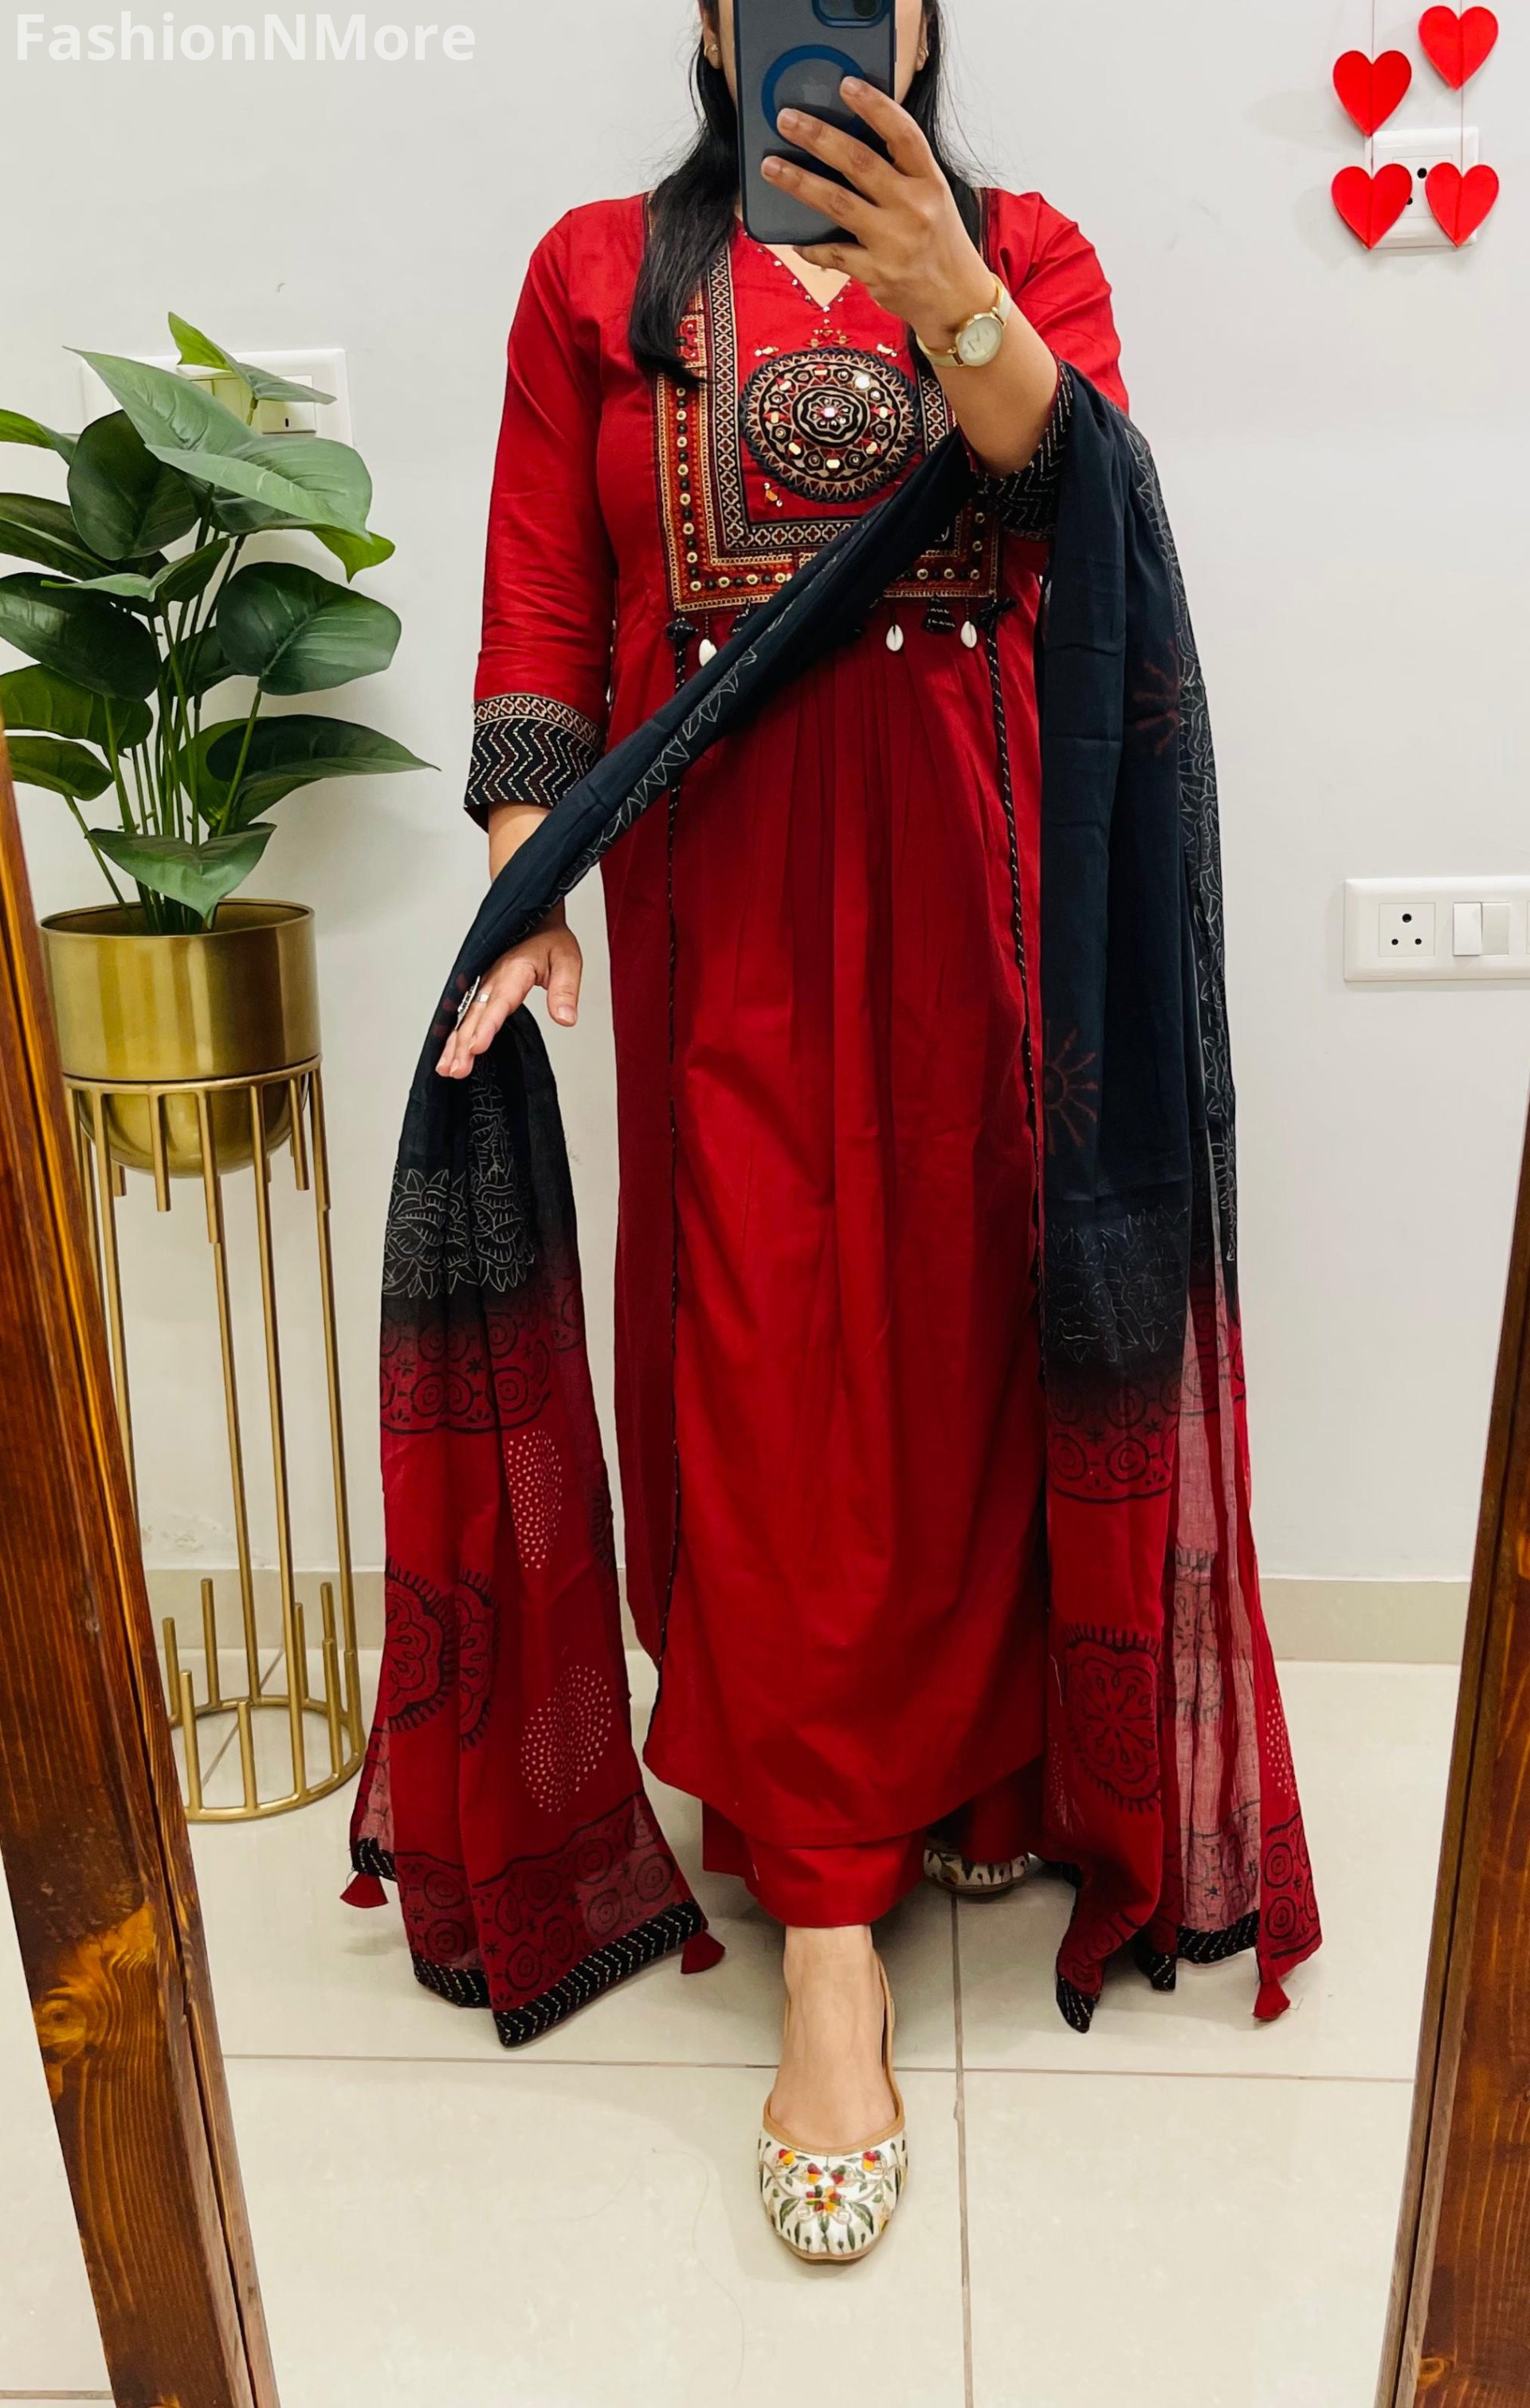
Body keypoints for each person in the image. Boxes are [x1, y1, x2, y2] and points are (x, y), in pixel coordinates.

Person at [407, 0, 1316, 2264]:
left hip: (982, 888)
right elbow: (545, 606)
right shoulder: (600, 273)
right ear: (715, 22)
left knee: (965, 1331)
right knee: (765, 1362)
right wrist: (528, 884)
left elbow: (1080, 501)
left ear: (920, 19)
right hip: (720, 907)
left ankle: (970, 1765)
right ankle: (829, 1930)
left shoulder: (1027, 247)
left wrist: (953, 294)